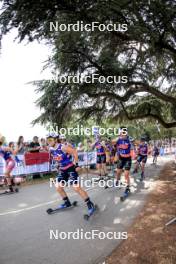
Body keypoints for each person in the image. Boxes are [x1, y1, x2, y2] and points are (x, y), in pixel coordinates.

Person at [46, 133, 95, 214]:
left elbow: (74, 152)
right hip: (62, 170)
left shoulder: (62, 147)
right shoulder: (51, 149)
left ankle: (90, 204)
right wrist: (58, 165)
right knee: (58, 187)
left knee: (76, 188)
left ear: (55, 139)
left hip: (70, 168)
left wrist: (76, 165)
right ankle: (67, 203)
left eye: (50, 140)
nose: (49, 142)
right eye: (48, 140)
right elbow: (57, 158)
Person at [115, 127, 131, 193]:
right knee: (118, 172)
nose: (122, 135)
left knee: (126, 174)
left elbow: (136, 143)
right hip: (121, 158)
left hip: (128, 159)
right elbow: (113, 144)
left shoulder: (129, 139)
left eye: (123, 133)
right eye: (121, 133)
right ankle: (118, 180)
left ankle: (128, 186)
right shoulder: (118, 139)